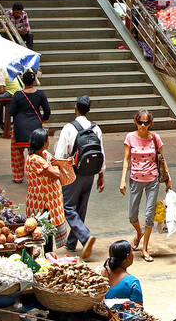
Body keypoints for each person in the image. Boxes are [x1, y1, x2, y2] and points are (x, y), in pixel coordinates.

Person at [54, 95, 105, 261]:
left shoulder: (69, 128)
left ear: (76, 108)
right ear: (88, 109)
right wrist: (101, 175)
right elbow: (101, 153)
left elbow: (60, 154)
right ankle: (71, 243)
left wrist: (58, 173)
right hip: (90, 172)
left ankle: (85, 236)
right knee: (81, 206)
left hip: (73, 172)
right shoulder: (96, 129)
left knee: (68, 206)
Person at [120, 109, 166, 262]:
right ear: (136, 122)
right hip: (135, 179)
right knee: (132, 214)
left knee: (149, 215)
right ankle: (139, 233)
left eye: (146, 123)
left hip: (152, 179)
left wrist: (168, 178)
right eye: (140, 122)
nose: (143, 126)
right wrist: (122, 180)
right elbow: (126, 159)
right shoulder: (130, 138)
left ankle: (145, 248)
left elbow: (162, 159)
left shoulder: (155, 138)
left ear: (150, 123)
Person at [24, 127, 69, 248]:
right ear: (44, 143)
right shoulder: (35, 159)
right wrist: (57, 167)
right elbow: (56, 174)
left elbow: (54, 162)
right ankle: (45, 257)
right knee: (42, 233)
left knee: (47, 232)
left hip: (47, 201)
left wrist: (56, 165)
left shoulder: (43, 154)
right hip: (42, 202)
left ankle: (47, 255)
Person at [9, 70, 51, 183]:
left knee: (17, 152)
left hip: (20, 126)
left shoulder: (18, 95)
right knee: (36, 152)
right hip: (36, 126)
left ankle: (18, 177)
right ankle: (36, 175)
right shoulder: (40, 94)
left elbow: (11, 112)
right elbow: (47, 111)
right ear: (34, 81)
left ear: (23, 81)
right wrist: (43, 119)